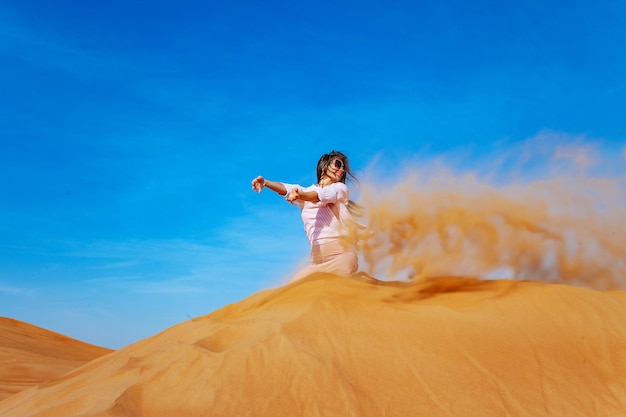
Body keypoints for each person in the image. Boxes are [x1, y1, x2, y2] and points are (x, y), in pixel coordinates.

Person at [251, 150, 359, 283]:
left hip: (341, 256)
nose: (342, 170)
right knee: (292, 293)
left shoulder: (340, 188)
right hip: (317, 262)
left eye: (343, 168)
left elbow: (319, 196)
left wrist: (300, 195)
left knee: (340, 291)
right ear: (324, 166)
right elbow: (285, 188)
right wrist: (266, 183)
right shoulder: (305, 190)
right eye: (338, 164)